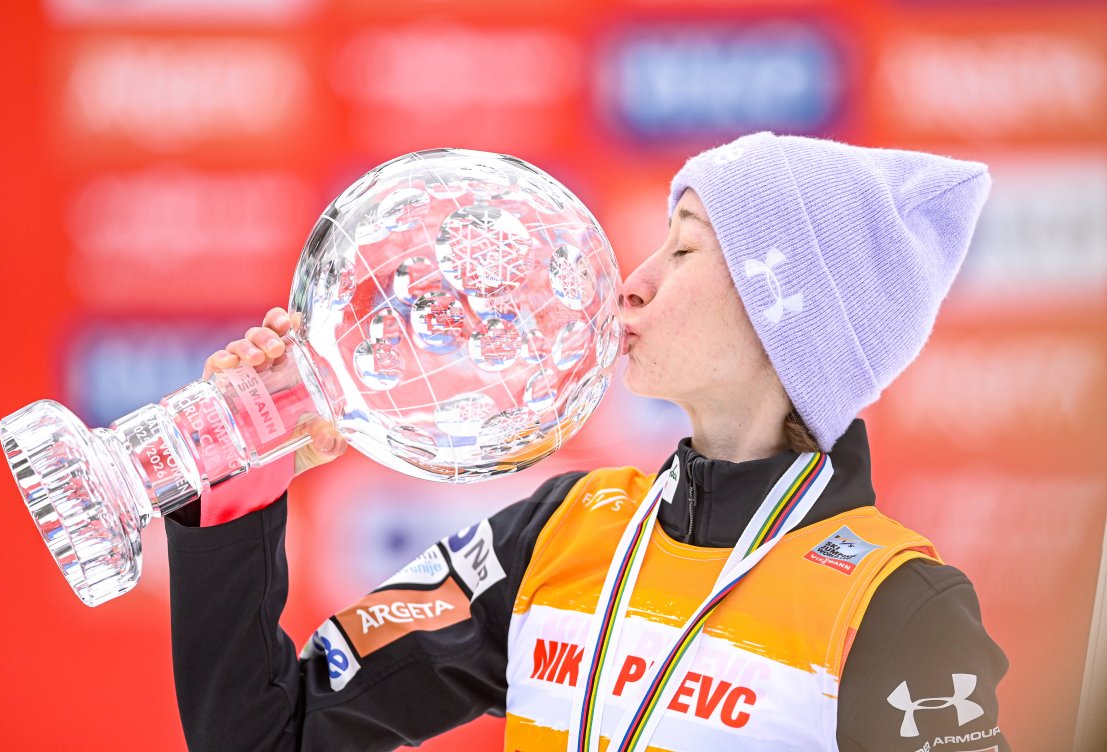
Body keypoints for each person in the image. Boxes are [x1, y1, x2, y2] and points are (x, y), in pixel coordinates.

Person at [166, 132, 1010, 751]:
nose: (632, 285)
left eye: (684, 248)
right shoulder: (561, 535)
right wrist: (239, 486)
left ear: (786, 323)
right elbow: (267, 735)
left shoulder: (894, 606)